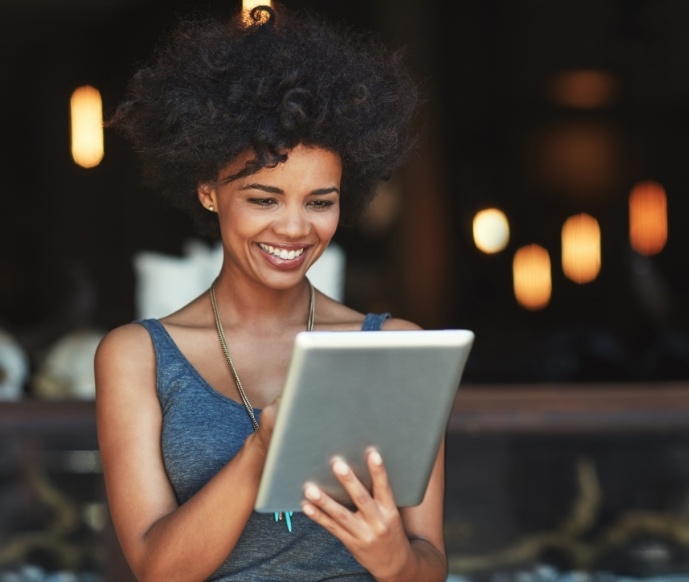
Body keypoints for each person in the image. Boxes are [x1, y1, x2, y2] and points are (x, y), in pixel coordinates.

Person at [94, 3, 448, 581]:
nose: (293, 228)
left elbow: (429, 565)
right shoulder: (138, 356)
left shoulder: (391, 347)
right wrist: (262, 452)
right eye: (264, 199)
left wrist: (395, 560)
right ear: (209, 189)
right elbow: (158, 570)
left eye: (320, 201)